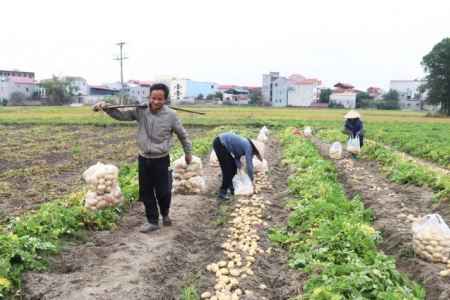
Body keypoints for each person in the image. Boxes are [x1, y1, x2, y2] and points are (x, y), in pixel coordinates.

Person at [92, 83, 192, 233]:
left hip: (161, 158)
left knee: (163, 191)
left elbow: (182, 135)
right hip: (144, 158)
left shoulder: (171, 115)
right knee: (146, 192)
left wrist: (188, 153)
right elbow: (122, 115)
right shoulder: (141, 110)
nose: (156, 102)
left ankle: (165, 213)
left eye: (160, 99)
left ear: (165, 99)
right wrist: (106, 107)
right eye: (153, 98)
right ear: (149, 97)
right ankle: (152, 221)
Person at [212, 132, 265, 200]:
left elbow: (236, 158)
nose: (255, 154)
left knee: (233, 166)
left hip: (222, 144)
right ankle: (222, 192)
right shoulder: (248, 146)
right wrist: (251, 180)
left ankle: (232, 186)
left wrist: (240, 166)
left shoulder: (245, 145)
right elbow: (249, 165)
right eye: (256, 153)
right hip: (220, 143)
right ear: (256, 149)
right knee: (227, 169)